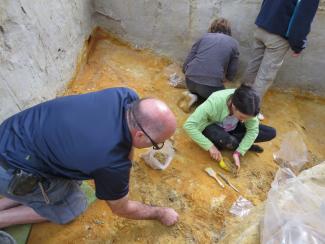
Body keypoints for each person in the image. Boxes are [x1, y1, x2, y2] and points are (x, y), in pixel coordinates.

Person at [0, 87, 179, 228]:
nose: (155, 147)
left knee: (67, 181)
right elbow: (121, 209)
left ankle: (24, 196)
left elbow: (122, 142)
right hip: (14, 173)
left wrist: (122, 167)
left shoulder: (125, 95)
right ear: (139, 135)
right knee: (74, 207)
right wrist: (160, 213)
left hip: (10, 135)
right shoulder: (111, 162)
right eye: (156, 144)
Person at [243, 0, 320, 120]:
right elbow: (302, 19)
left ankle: (238, 100)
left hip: (262, 26)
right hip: (278, 35)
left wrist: (263, 20)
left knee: (253, 67)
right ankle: (248, 111)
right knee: (264, 76)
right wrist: (298, 45)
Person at [183, 85, 276, 170]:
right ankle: (234, 143)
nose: (244, 121)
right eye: (242, 117)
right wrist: (210, 146)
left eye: (247, 118)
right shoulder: (215, 102)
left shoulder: (250, 106)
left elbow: (253, 130)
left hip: (231, 127)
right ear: (234, 106)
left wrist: (238, 152)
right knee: (229, 142)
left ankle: (238, 144)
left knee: (270, 132)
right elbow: (188, 125)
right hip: (211, 126)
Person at [180, 18, 239, 110]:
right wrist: (227, 78)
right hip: (210, 86)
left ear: (212, 27)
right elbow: (232, 71)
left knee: (203, 89)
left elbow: (188, 61)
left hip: (190, 81)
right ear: (228, 30)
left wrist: (186, 71)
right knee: (225, 100)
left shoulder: (203, 37)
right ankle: (206, 102)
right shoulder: (233, 43)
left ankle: (194, 95)